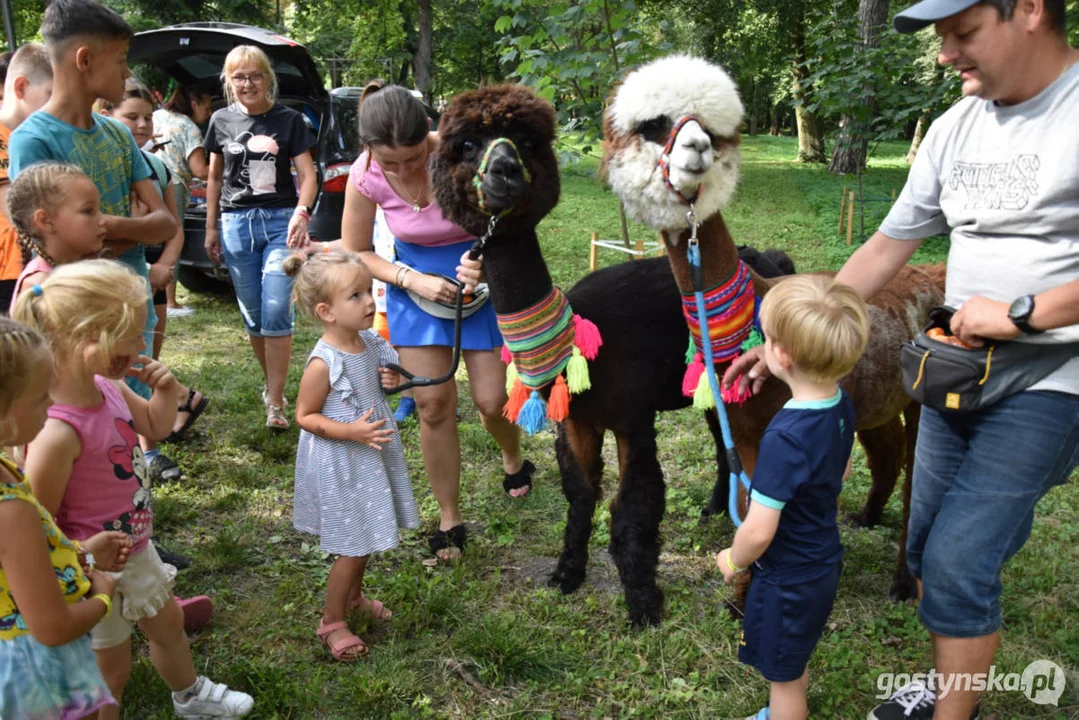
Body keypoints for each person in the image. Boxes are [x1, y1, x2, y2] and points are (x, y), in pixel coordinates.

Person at [724, 2, 1079, 718]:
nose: (945, 53)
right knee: (921, 547)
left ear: (1031, 10)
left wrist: (1021, 314)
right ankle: (950, 683)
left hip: (1050, 377)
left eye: (961, 32)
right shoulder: (956, 127)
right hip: (950, 368)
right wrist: (784, 337)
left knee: (957, 560)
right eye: (940, 37)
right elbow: (886, 245)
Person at [13, 260, 254, 719]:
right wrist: (85, 555)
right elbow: (34, 527)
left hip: (137, 548)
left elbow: (153, 427)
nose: (143, 345)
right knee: (112, 671)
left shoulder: (108, 386)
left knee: (169, 625)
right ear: (90, 337)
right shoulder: (56, 434)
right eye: (133, 336)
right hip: (93, 570)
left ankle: (190, 696)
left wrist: (166, 393)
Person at [341, 81, 534, 563]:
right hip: (414, 288)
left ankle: (512, 456)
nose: (405, 170)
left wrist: (489, 262)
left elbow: (514, 217)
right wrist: (412, 280)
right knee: (431, 404)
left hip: (480, 281)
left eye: (413, 158)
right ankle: (450, 517)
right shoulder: (364, 175)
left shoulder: (465, 154)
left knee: (492, 401)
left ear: (429, 133)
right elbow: (356, 250)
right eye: (393, 163)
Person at [7, 0, 181, 480]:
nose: (127, 73)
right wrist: (126, 225)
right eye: (121, 59)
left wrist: (100, 228)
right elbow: (45, 235)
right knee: (75, 416)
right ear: (84, 59)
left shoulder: (116, 134)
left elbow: (164, 224)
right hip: (75, 309)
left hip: (130, 298)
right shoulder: (32, 138)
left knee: (124, 416)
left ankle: (132, 519)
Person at [715, 276, 867, 720]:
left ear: (779, 355)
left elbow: (759, 529)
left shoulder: (784, 435)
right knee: (791, 658)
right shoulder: (841, 404)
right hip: (821, 561)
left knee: (782, 682)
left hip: (786, 576)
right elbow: (841, 468)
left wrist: (734, 559)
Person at [284, 250, 419, 661]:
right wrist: (351, 431)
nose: (369, 302)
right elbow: (304, 416)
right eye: (356, 296)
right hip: (342, 461)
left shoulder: (371, 342)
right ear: (326, 311)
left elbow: (390, 379)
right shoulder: (323, 364)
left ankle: (355, 599)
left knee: (369, 533)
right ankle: (332, 621)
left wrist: (393, 378)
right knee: (354, 544)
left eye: (368, 291)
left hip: (369, 455)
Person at [0, 316, 131, 720]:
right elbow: (52, 627)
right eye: (41, 397)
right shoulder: (10, 509)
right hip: (37, 668)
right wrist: (103, 595)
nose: (52, 405)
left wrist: (81, 553)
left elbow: (19, 563)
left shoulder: (6, 466)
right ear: (5, 418)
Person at [204, 44, 317, 431]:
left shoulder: (289, 120)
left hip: (281, 221)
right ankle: (274, 387)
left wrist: (302, 213)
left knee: (275, 307)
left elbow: (309, 176)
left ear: (268, 78)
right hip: (235, 224)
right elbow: (215, 177)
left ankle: (275, 402)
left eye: (254, 75)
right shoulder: (220, 120)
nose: (247, 83)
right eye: (239, 77)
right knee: (253, 314)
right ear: (228, 81)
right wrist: (210, 227)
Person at [100, 79, 211, 449]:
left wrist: (165, 262)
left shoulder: (155, 167)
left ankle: (148, 446)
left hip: (142, 276)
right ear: (106, 116)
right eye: (132, 117)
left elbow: (170, 227)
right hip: (106, 276)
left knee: (141, 356)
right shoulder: (96, 164)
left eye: (148, 118)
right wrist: (139, 229)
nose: (143, 126)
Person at [0, 42, 53, 312]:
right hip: (9, 266)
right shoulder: (5, 136)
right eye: (50, 95)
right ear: (20, 88)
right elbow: (12, 206)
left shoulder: (34, 135)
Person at [153, 83, 212, 317]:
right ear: (194, 104)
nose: (208, 115)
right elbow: (200, 171)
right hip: (172, 185)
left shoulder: (158, 116)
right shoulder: (190, 128)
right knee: (173, 237)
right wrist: (224, 169)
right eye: (207, 108)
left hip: (147, 180)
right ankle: (170, 302)